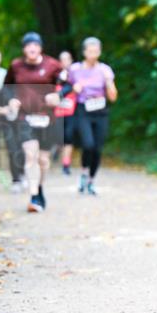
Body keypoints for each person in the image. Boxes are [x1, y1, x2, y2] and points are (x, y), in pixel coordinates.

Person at [2, 32, 66, 213]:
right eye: (28, 45)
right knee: (31, 155)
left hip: (47, 118)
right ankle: (33, 195)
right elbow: (6, 87)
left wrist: (59, 95)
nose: (32, 48)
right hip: (25, 117)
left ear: (40, 48)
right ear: (24, 49)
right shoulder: (16, 66)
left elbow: (70, 83)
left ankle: (40, 188)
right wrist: (11, 99)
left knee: (43, 160)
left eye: (35, 45)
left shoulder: (53, 65)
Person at [69, 38, 117, 195]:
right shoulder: (75, 69)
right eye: (90, 51)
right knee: (88, 144)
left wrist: (109, 84)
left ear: (100, 52)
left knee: (97, 148)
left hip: (100, 111)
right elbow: (65, 88)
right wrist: (74, 88)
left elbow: (113, 97)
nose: (93, 54)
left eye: (96, 51)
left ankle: (91, 180)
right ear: (84, 52)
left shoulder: (105, 70)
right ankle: (84, 172)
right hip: (83, 110)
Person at [54, 50, 78, 175]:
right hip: (57, 112)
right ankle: (57, 148)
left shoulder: (76, 74)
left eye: (67, 59)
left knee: (68, 137)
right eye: (62, 60)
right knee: (59, 137)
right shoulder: (54, 74)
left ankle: (66, 165)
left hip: (72, 111)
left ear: (71, 60)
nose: (65, 62)